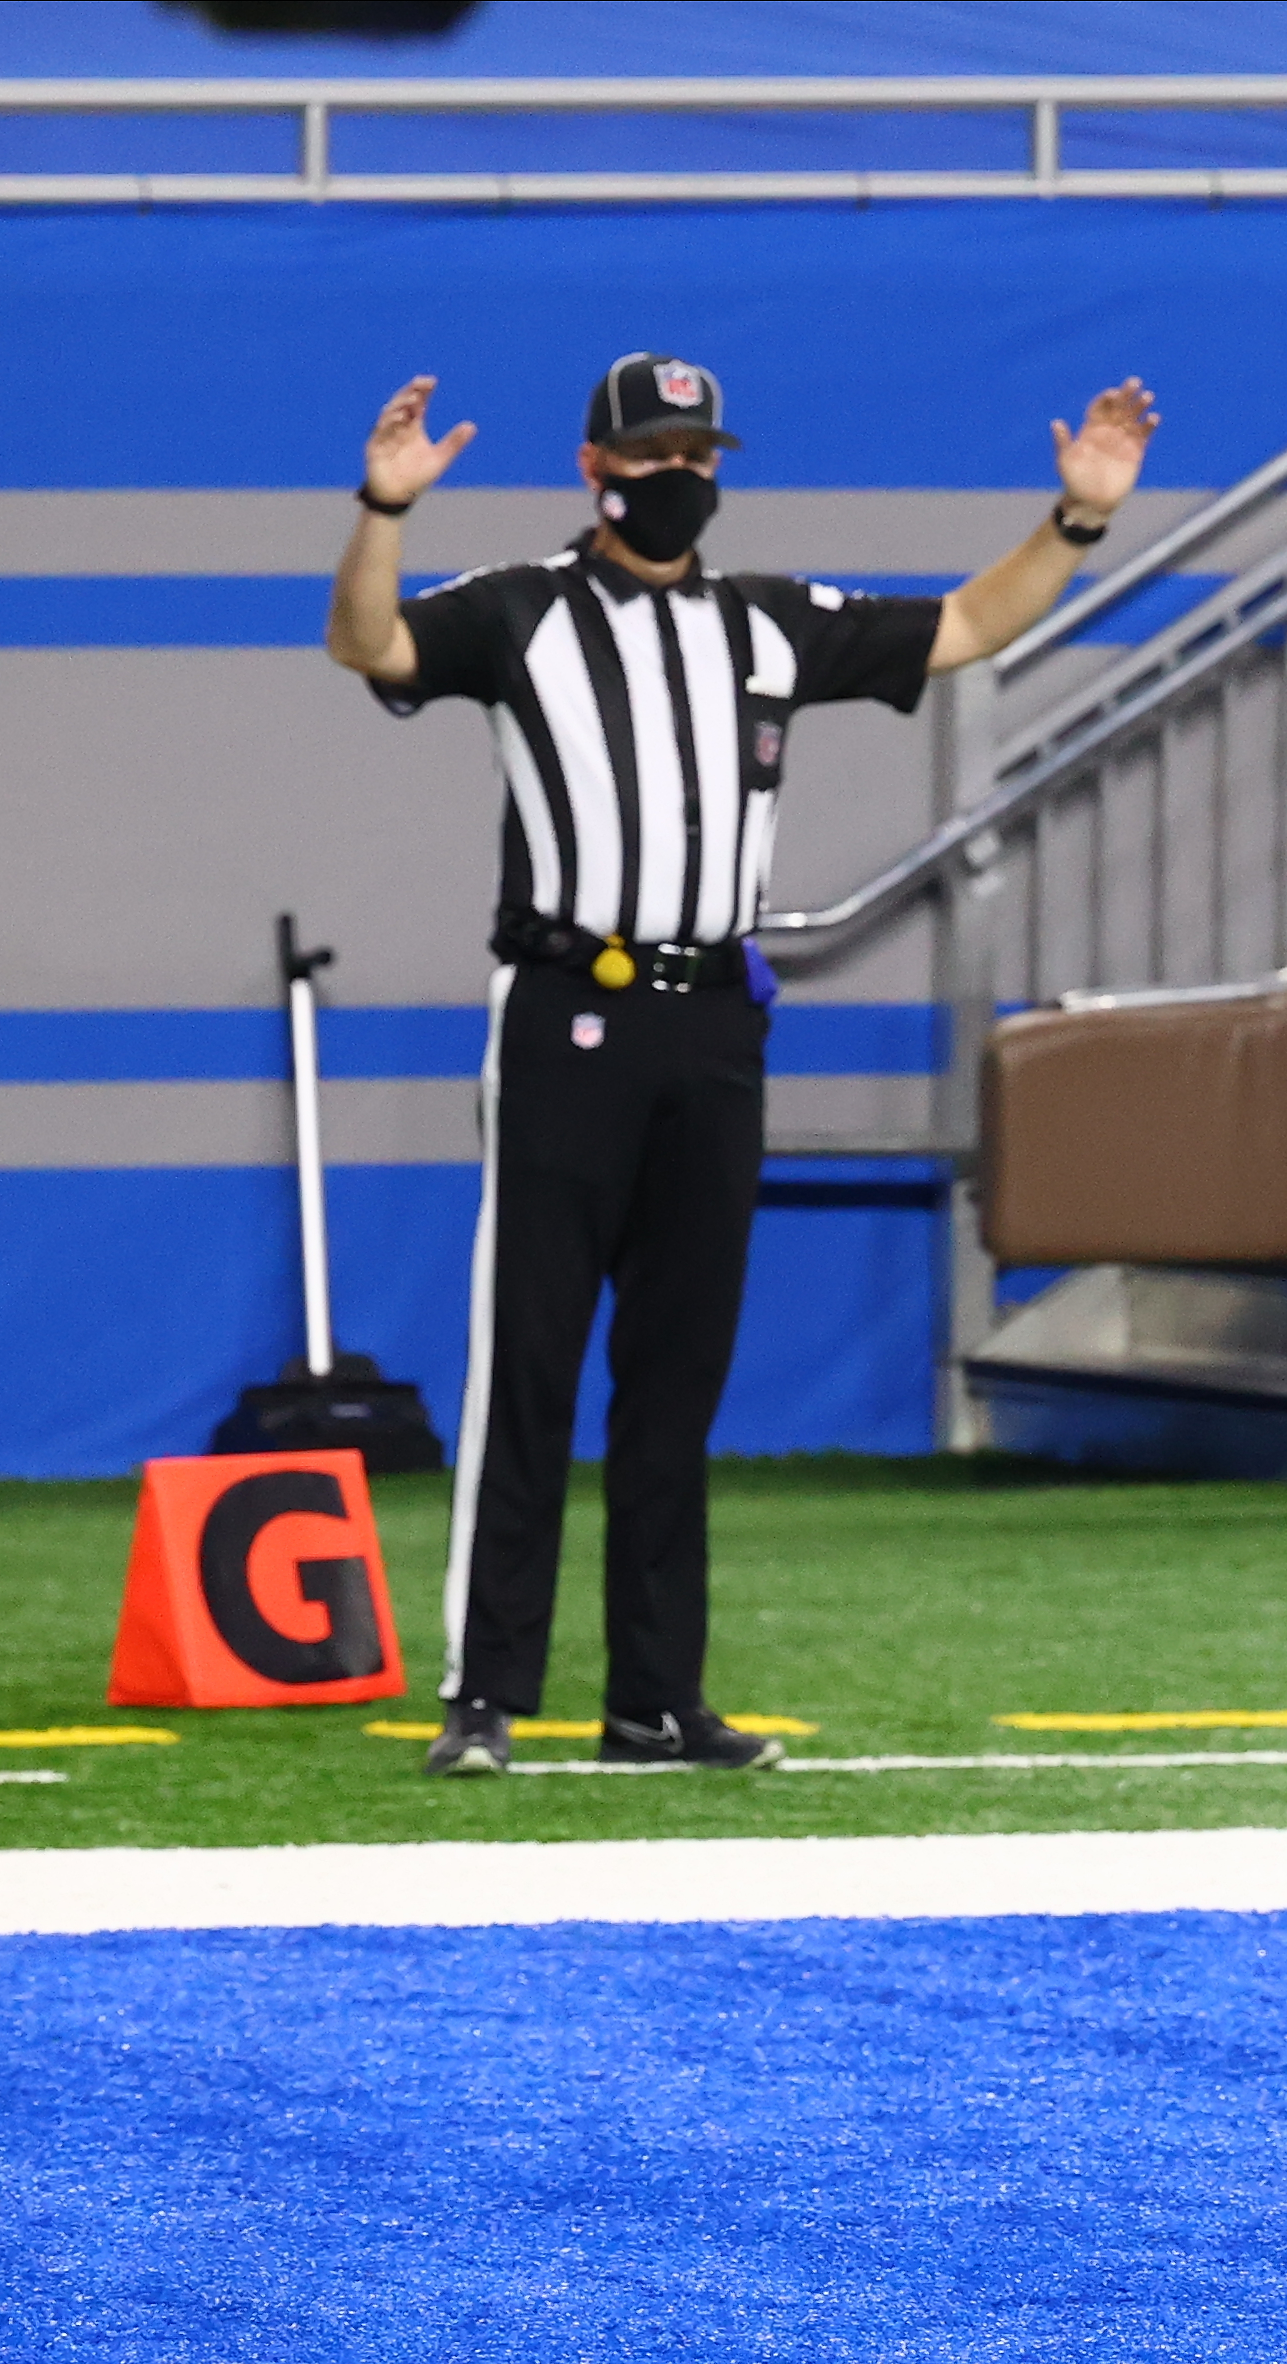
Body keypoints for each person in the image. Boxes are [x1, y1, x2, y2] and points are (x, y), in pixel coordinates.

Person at [323, 351, 1159, 1777]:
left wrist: (1078, 519)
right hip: (568, 1005)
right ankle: (486, 1692)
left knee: (678, 1369)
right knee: (530, 1350)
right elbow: (371, 647)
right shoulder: (522, 610)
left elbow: (962, 626)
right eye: (651, 458)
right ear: (595, 471)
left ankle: (654, 1700)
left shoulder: (768, 625)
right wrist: (381, 508)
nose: (679, 480)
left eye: (700, 456)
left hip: (714, 1021)